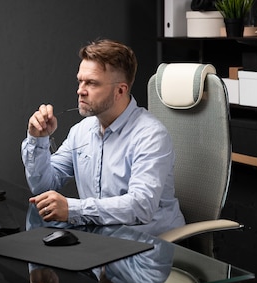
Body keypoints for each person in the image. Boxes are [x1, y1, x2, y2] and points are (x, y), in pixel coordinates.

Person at [21, 39, 185, 236]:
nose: (80, 90)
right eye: (80, 81)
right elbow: (42, 186)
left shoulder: (151, 136)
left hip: (147, 246)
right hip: (102, 241)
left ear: (120, 90)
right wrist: (38, 140)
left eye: (91, 83)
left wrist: (73, 209)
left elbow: (141, 206)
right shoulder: (82, 131)